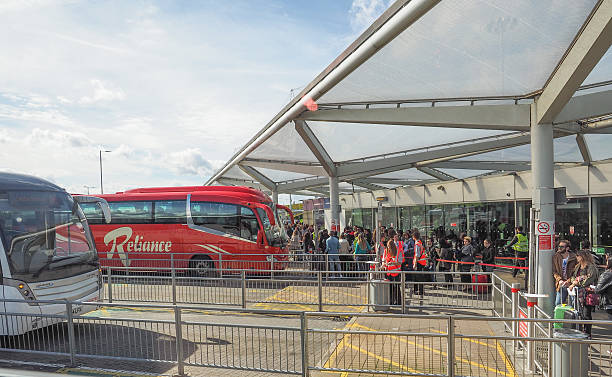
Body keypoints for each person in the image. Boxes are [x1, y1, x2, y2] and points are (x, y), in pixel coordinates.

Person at [567, 250, 599, 337]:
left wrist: (576, 282)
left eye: (578, 256)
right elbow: (573, 277)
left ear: (582, 256)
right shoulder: (578, 266)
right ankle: (580, 331)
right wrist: (576, 281)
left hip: (587, 293)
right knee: (578, 312)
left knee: (586, 313)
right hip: (578, 292)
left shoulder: (591, 267)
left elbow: (588, 280)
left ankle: (587, 333)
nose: (577, 257)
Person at [552, 239, 577, 306]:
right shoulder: (556, 257)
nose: (559, 248)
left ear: (567, 248)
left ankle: (572, 316)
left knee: (573, 304)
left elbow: (576, 272)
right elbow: (554, 271)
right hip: (561, 284)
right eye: (559, 246)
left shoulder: (574, 257)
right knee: (558, 303)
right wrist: (559, 280)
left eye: (562, 247)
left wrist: (569, 280)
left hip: (571, 284)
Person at [382, 239, 402, 306]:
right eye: (387, 246)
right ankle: (390, 301)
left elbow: (400, 262)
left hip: (396, 272)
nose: (388, 248)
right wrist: (384, 265)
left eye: (389, 247)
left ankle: (398, 302)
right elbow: (384, 261)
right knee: (389, 288)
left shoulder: (398, 252)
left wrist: (393, 263)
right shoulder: (385, 251)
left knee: (396, 288)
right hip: (388, 273)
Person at [412, 230, 426, 296]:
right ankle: (420, 290)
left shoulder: (417, 244)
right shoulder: (420, 242)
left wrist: (415, 264)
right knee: (420, 277)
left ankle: (419, 291)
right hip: (421, 262)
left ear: (414, 237)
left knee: (418, 277)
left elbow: (417, 255)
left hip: (419, 262)